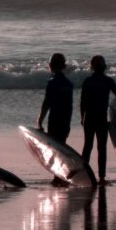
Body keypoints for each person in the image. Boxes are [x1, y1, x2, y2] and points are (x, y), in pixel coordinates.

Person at [79, 55, 116, 186]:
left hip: (89, 118)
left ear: (92, 67)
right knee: (102, 148)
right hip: (101, 118)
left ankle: (84, 175)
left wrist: (82, 117)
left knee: (87, 146)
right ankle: (102, 177)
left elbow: (83, 102)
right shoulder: (108, 80)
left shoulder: (87, 81)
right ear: (104, 67)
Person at [37, 52, 74, 186]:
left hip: (55, 119)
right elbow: (70, 106)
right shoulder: (69, 84)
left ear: (50, 66)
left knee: (54, 148)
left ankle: (57, 177)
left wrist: (40, 120)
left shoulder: (52, 82)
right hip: (66, 120)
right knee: (61, 146)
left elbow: (47, 103)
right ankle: (61, 175)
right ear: (63, 66)